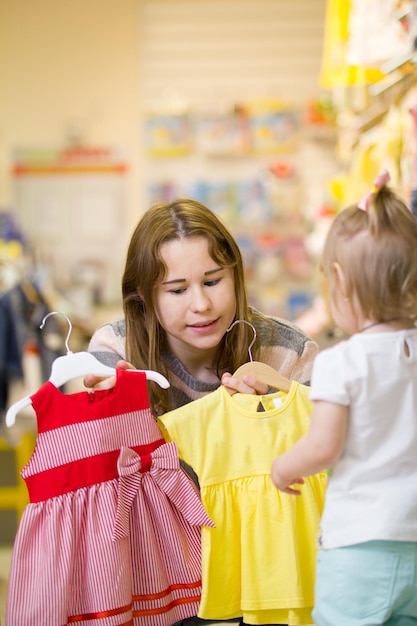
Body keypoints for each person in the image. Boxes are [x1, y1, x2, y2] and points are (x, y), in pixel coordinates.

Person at [86, 197, 320, 626]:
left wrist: (276, 411)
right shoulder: (115, 350)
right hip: (154, 576)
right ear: (143, 296)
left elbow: (327, 476)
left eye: (213, 281)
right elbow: (95, 488)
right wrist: (104, 417)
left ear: (235, 275)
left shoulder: (286, 350)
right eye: (177, 290)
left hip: (259, 580)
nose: (202, 305)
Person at [271, 170, 417, 626]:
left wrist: (284, 467)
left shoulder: (343, 362)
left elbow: (324, 446)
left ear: (340, 280)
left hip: (359, 547)